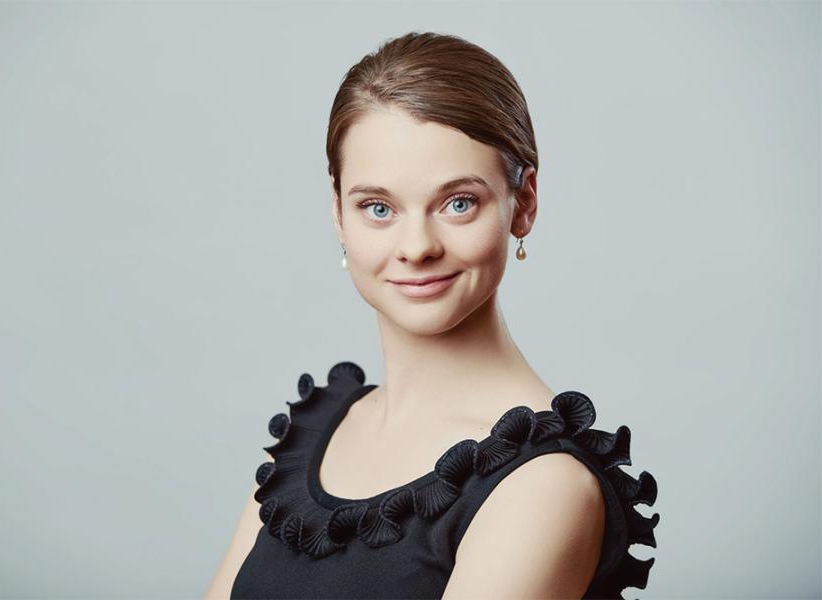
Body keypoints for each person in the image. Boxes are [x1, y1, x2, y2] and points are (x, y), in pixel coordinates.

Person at [205, 30, 659, 599]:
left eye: (458, 203)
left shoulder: (543, 487)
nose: (416, 245)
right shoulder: (313, 433)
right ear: (338, 213)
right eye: (378, 207)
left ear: (524, 203)